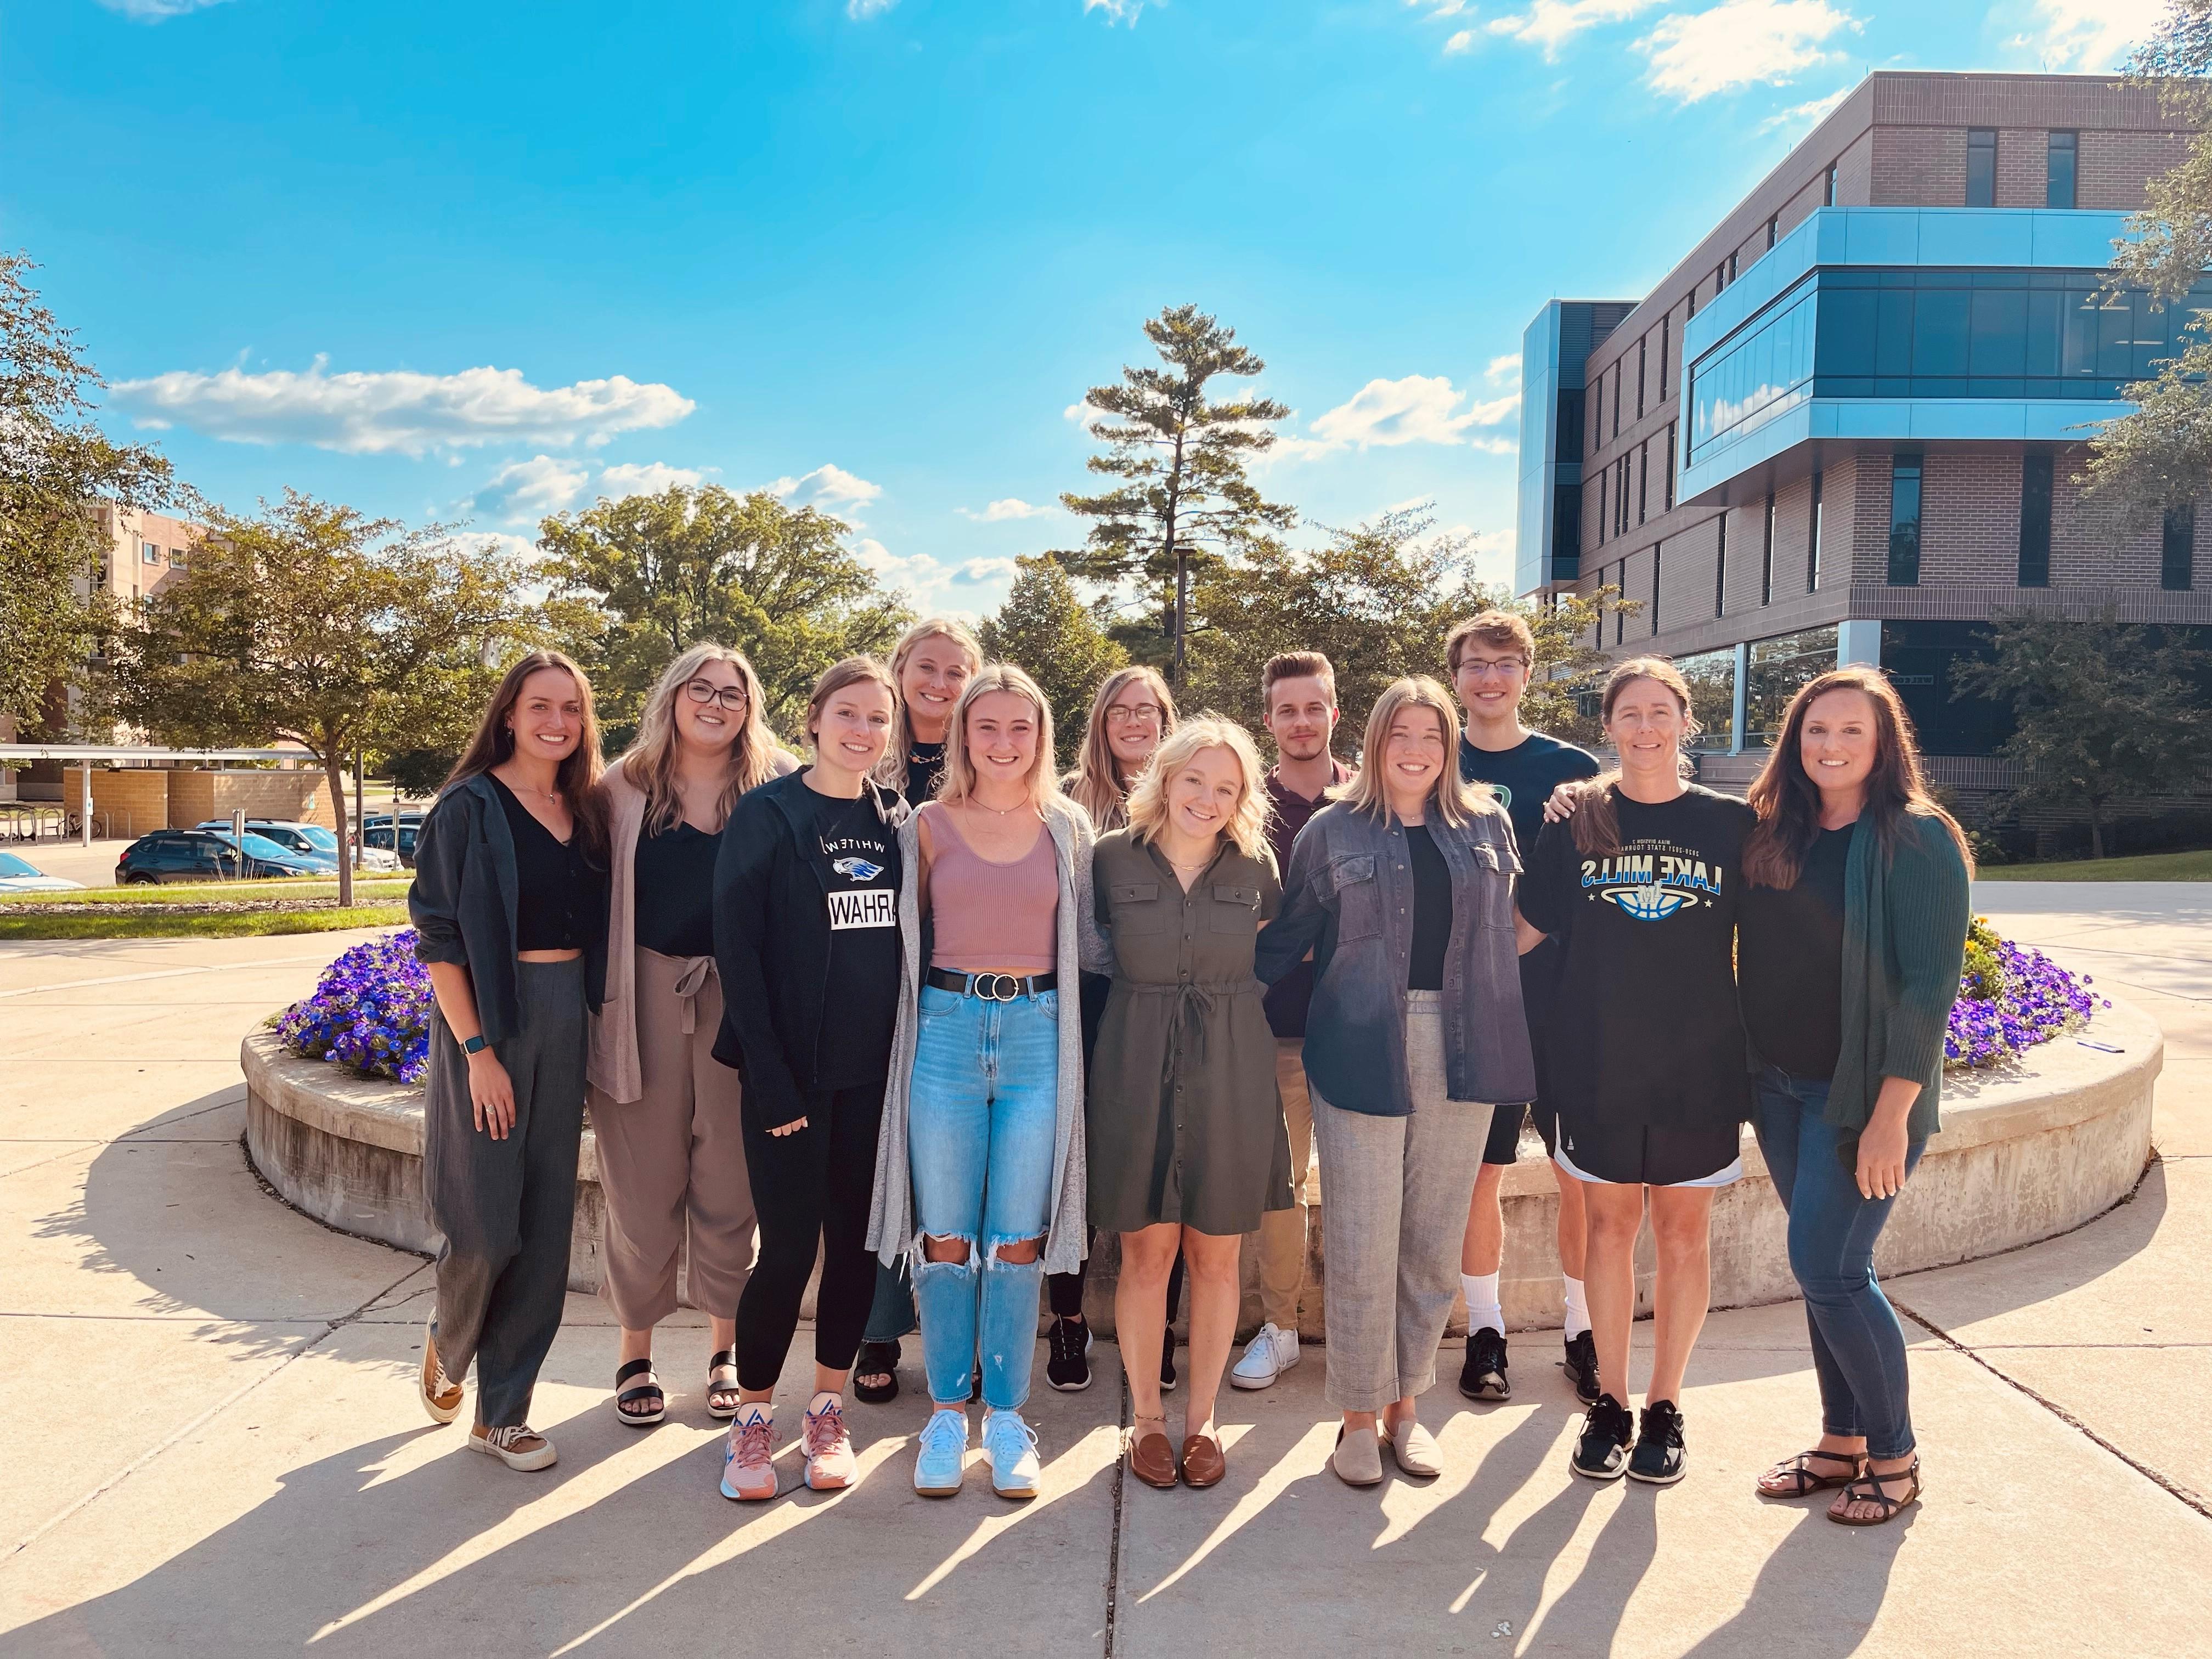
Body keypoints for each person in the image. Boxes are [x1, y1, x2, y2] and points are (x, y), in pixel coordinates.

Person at [1257, 677, 1534, 1487]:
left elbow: (1507, 934)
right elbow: (1290, 939)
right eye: (1400, 734)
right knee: (1361, 1238)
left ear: (1450, 745)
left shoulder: (1487, 821)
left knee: (1432, 1236)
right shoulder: (1334, 829)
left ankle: (1408, 1406)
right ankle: (1354, 1415)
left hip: (1463, 1041)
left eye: (1433, 736)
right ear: (1375, 741)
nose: (1416, 750)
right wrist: (1211, 990)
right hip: (1358, 1040)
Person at [1514, 656, 1754, 1486]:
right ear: (1608, 726)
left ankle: (1666, 1406)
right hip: (1596, 1059)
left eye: (1661, 712)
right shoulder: (1577, 817)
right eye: (1630, 713)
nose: (1645, 727)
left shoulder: (1731, 823)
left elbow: (1773, 939)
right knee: (1611, 1230)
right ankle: (1610, 1403)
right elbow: (1528, 927)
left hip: (1699, 1062)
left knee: (1685, 1236)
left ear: (1685, 723)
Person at [1740, 667, 1970, 1526]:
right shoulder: (1775, 832)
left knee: (1833, 1270)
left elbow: (1928, 990)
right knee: (1822, 1271)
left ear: (1883, 746)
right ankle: (1841, 1444)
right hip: (1777, 1087)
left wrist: (1889, 1116)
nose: (1830, 746)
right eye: (1815, 731)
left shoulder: (1915, 840)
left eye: (1850, 732)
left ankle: (1897, 1456)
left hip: (1860, 1098)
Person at [868, 665, 1104, 1500]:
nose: (1004, 744)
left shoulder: (1067, 828)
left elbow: (1094, 950)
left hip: (1040, 1036)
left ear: (1042, 735)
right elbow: (898, 944)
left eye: (1021, 728)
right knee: (943, 1234)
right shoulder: (925, 825)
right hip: (946, 1031)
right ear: (963, 733)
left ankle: (1005, 1415)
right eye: (988, 727)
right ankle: (944, 1413)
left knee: (1016, 1237)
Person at [710, 657, 906, 1500]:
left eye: (878, 719)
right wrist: (771, 1078)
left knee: (857, 1252)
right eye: (849, 714)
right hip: (789, 1082)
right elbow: (739, 955)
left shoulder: (897, 820)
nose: (863, 731)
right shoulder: (768, 815)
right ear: (815, 719)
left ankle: (826, 1413)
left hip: (875, 1081)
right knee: (787, 1252)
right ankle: (753, 1422)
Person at [409, 651, 608, 1472]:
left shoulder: (586, 809)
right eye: (540, 706)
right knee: (485, 1227)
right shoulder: (467, 807)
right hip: (489, 1019)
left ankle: (505, 1414)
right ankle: (447, 1340)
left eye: (571, 708)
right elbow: (439, 939)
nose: (556, 722)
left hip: (568, 1017)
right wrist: (479, 1052)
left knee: (544, 1228)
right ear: (509, 714)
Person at [587, 645, 795, 1427]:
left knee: (729, 1185)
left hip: (741, 999)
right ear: (672, 698)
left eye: (731, 694)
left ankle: (725, 1351)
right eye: (700, 690)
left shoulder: (776, 785)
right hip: (640, 994)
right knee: (640, 1188)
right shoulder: (623, 787)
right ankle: (634, 1351)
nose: (714, 704)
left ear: (751, 707)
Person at [1092, 716, 1290, 1491]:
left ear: (1242, 797)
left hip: (1232, 1066)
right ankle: (1146, 1420)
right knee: (1146, 1251)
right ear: (1165, 780)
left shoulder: (1255, 867)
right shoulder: (1109, 861)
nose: (1207, 799)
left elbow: (1277, 943)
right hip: (1133, 1062)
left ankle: (1202, 1422)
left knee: (1217, 1252)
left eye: (1226, 787)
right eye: (1194, 781)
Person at [1444, 611, 1602, 1406]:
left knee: (1579, 1173)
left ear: (1528, 674)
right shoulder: (1435, 756)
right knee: (1483, 1174)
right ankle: (1484, 1331)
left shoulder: (1572, 769)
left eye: (1505, 664)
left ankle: (1584, 1332)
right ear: (1457, 677)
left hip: (1564, 1000)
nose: (1491, 678)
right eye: (1476, 664)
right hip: (1477, 1001)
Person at [857, 617, 984, 1406]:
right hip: (876, 981)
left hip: (961, 983)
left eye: (956, 671)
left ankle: (959, 1330)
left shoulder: (990, 759)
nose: (940, 684)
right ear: (900, 670)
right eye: (927, 668)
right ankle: (877, 1324)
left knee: (958, 1165)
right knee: (882, 1159)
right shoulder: (868, 755)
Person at [1049, 664, 1186, 1393]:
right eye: (1120, 712)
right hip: (1086, 1000)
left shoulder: (1186, 798)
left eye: (1148, 711)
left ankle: (1159, 1326)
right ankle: (1068, 1320)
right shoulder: (1066, 803)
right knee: (1075, 1163)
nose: (1135, 723)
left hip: (1166, 1004)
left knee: (1166, 1163)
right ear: (1100, 724)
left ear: (1167, 720)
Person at [1229, 652, 1350, 1391]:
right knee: (1280, 1185)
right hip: (1272, 1028)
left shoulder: (1373, 797)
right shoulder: (1244, 805)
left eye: (1314, 708)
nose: (1301, 722)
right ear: (1268, 719)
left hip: (1362, 1027)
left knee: (1369, 1185)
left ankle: (1367, 1331)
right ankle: (1279, 1327)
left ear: (1335, 713)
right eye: (1286, 710)